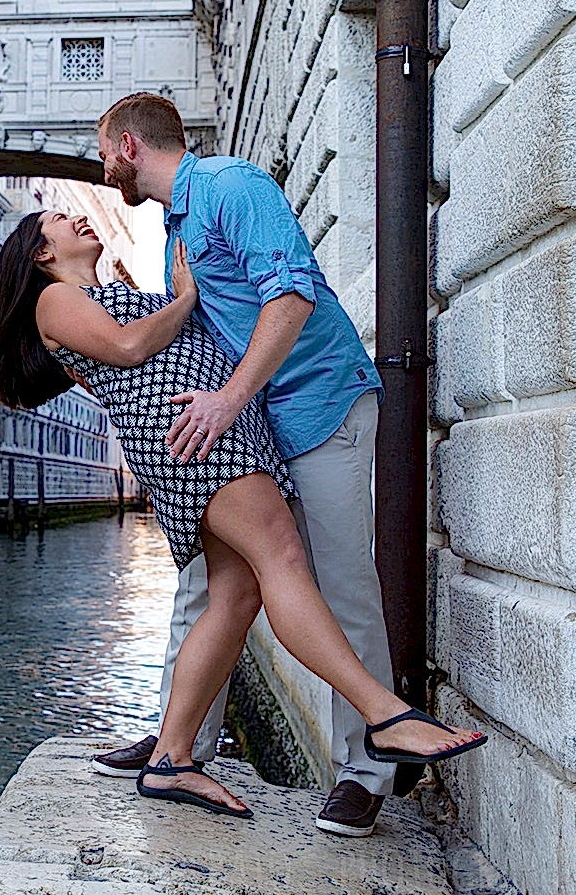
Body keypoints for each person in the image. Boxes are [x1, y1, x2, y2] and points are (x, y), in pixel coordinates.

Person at [0, 209, 485, 820]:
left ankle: (172, 759)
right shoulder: (55, 300)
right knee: (285, 560)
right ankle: (384, 717)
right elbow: (130, 347)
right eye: (61, 219)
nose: (81, 218)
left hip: (207, 433)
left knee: (236, 597)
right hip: (195, 438)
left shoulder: (103, 291)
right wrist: (186, 294)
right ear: (39, 254)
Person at [89, 91, 398, 837]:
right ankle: (178, 741)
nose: (102, 169)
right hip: (255, 427)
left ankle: (367, 770)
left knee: (340, 584)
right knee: (203, 583)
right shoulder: (176, 232)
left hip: (319, 407)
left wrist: (227, 401)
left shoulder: (233, 186)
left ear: (129, 144)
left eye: (102, 151)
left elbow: (289, 297)